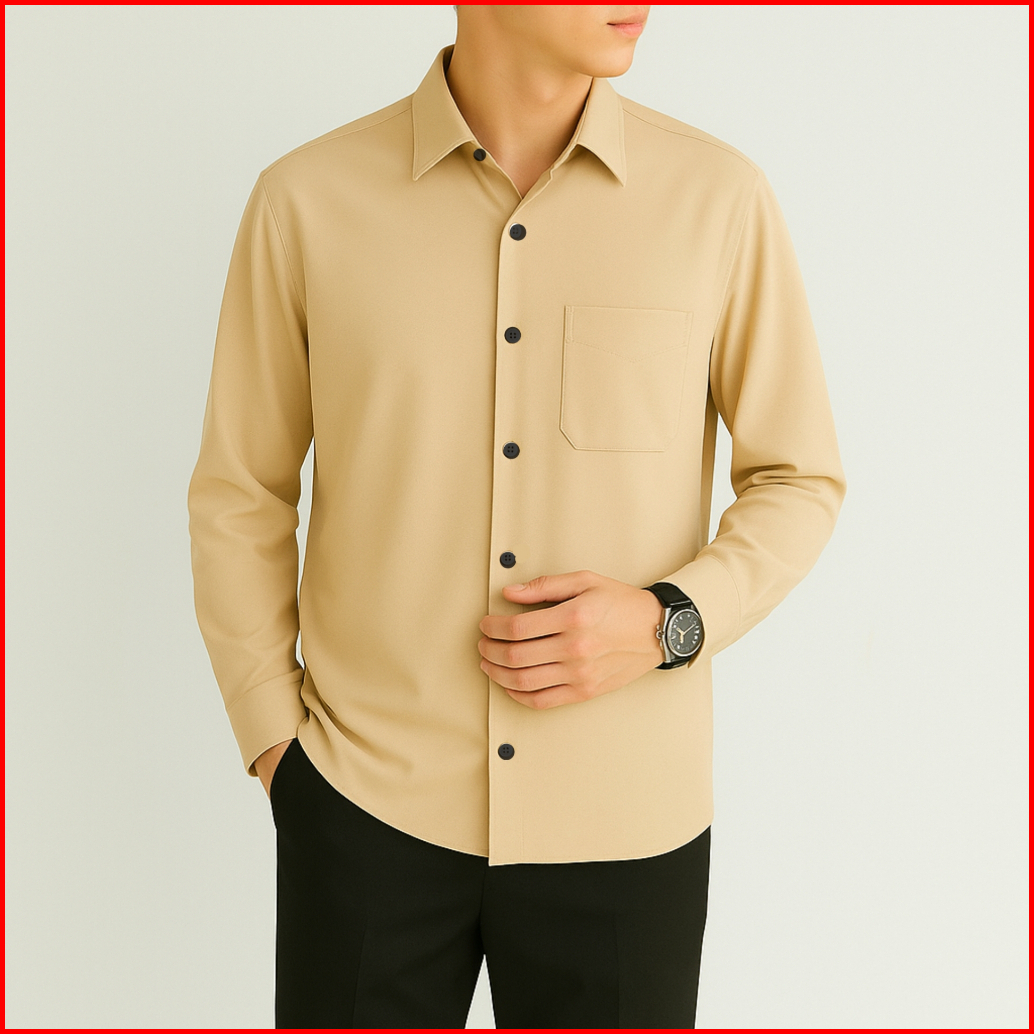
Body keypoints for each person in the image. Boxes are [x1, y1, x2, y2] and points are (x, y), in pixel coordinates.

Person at [188, 5, 845, 1028]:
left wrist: (669, 620)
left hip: (626, 823)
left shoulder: (717, 201)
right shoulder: (305, 203)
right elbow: (242, 491)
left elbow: (799, 478)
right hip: (366, 806)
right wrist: (278, 745)